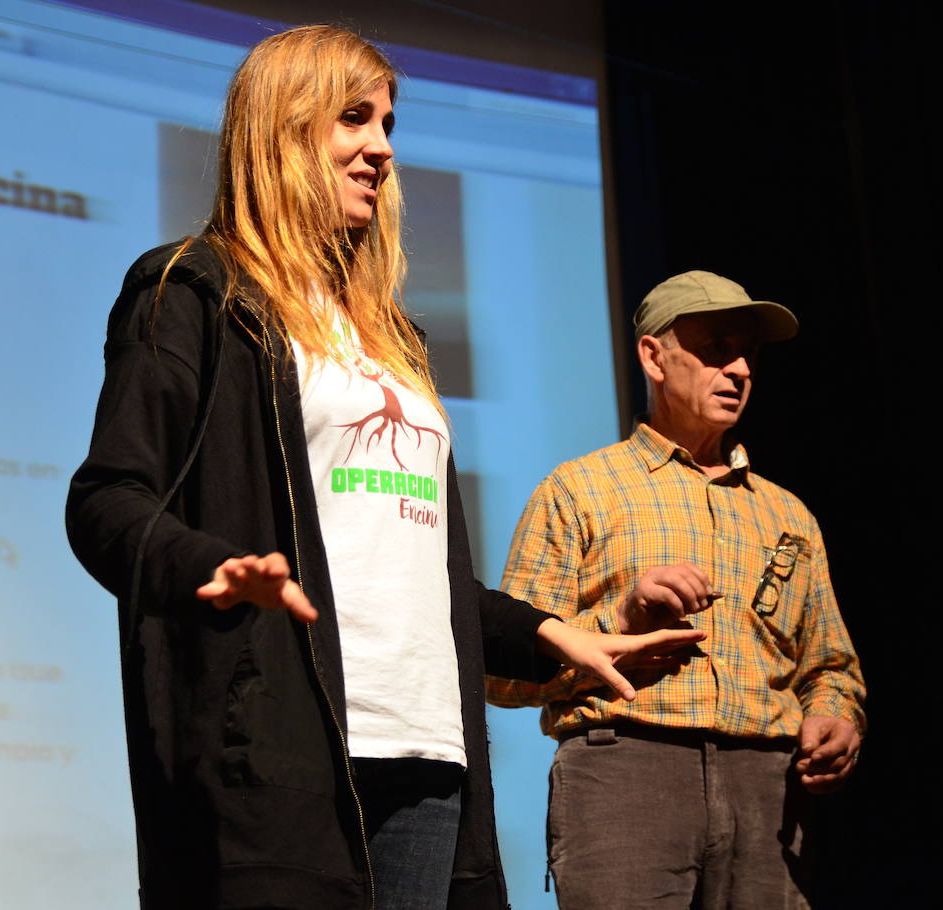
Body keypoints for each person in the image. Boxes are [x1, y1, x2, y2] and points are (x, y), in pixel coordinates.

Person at [65, 27, 702, 910]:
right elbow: (107, 502)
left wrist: (557, 634)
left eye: (389, 123)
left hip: (427, 747)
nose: (382, 148)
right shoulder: (197, 293)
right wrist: (210, 568)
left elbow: (413, 566)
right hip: (282, 744)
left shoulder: (393, 338)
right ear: (284, 128)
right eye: (353, 119)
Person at [487, 270, 867, 909]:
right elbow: (505, 675)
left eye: (749, 352)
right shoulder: (579, 491)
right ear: (653, 356)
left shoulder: (788, 514)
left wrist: (836, 715)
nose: (741, 368)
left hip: (768, 785)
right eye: (717, 346)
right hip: (625, 772)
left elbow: (830, 665)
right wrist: (622, 626)